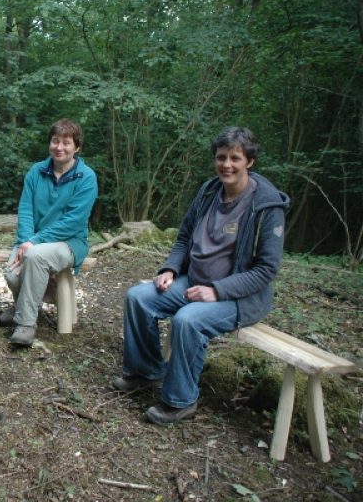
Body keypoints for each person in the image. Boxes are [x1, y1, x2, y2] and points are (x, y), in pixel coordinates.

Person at [112, 127, 290, 424]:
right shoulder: (209, 191)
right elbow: (183, 239)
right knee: (138, 298)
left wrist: (217, 290)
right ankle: (145, 372)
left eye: (235, 158)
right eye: (221, 157)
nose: (227, 165)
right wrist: (170, 268)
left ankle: (181, 401)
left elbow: (266, 270)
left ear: (250, 162)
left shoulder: (267, 206)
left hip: (240, 296)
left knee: (188, 319)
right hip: (193, 279)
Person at [1, 119, 98, 347]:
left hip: (69, 242)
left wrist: (35, 242)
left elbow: (73, 221)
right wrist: (26, 240)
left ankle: (25, 323)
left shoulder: (86, 177)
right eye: (55, 141)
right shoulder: (36, 172)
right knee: (12, 275)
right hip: (32, 240)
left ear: (77, 147)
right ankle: (23, 305)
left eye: (66, 142)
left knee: (36, 257)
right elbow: (25, 209)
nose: (59, 147)